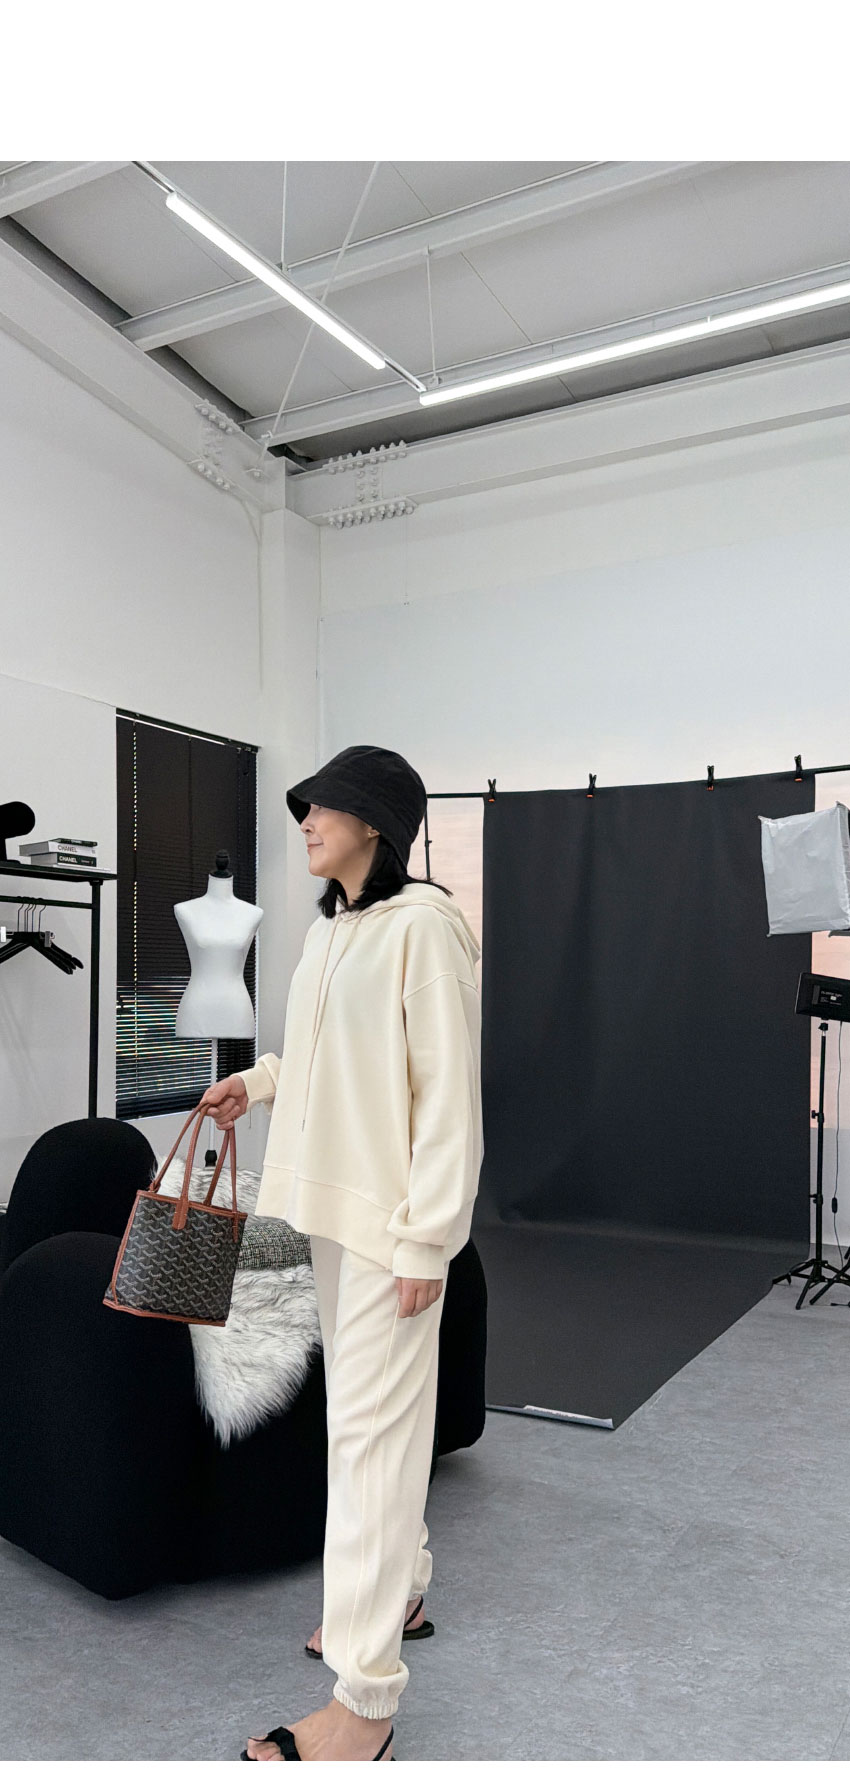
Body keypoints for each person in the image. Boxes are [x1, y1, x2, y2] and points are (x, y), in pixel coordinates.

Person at [199, 745, 484, 1763]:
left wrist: (427, 1240)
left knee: (369, 1445)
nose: (307, 820)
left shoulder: (424, 927)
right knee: (366, 1431)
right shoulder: (331, 932)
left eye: (324, 806)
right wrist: (259, 1082)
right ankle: (399, 1589)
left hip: (389, 1226)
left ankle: (364, 1704)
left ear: (375, 822)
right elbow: (330, 1051)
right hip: (327, 1214)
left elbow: (447, 1097)